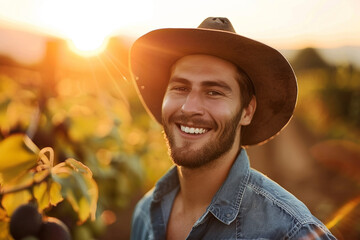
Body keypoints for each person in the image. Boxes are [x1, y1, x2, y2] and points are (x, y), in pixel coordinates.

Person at [129, 17, 336, 240]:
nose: (189, 107)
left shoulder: (290, 231)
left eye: (213, 92)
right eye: (180, 88)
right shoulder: (145, 213)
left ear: (247, 111)